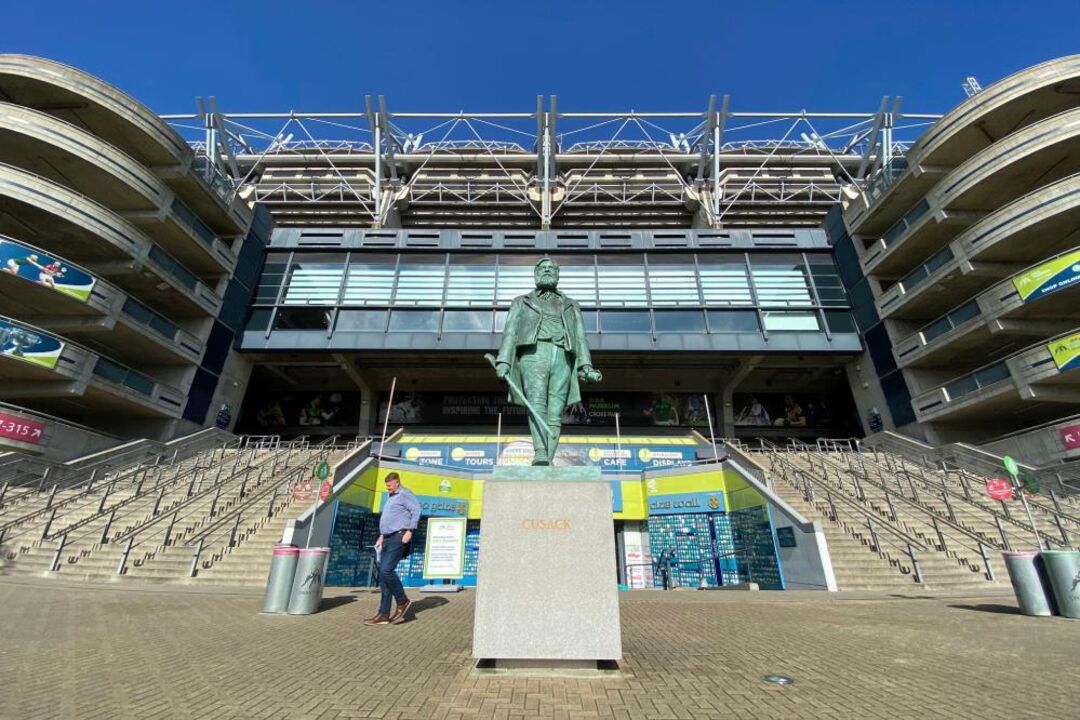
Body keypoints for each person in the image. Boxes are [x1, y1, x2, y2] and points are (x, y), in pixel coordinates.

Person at [494, 257, 602, 465]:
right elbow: (510, 332)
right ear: (535, 274)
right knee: (536, 404)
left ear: (558, 275)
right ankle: (540, 452)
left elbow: (580, 337)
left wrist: (585, 366)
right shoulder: (521, 301)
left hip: (562, 355)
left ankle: (548, 458)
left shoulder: (571, 305)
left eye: (551, 269)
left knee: (555, 411)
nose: (546, 271)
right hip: (534, 353)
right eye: (542, 268)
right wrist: (504, 361)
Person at [364, 472, 421, 626]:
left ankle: (402, 601)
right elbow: (390, 518)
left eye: (389, 485)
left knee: (386, 571)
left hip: (399, 536)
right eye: (386, 485)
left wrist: (410, 530)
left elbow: (416, 510)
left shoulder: (404, 493)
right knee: (383, 579)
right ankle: (383, 615)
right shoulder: (391, 497)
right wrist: (382, 536)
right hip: (387, 538)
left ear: (397, 482)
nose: (388, 488)